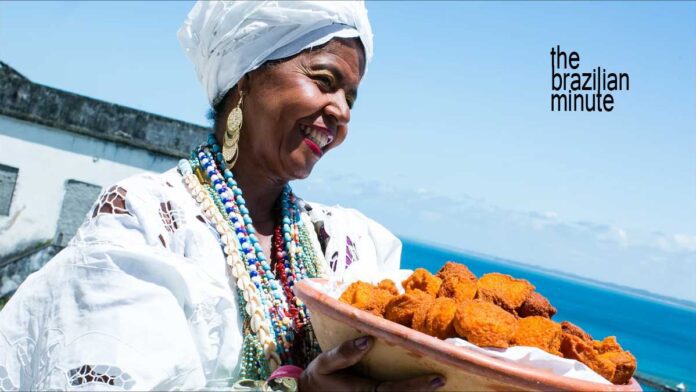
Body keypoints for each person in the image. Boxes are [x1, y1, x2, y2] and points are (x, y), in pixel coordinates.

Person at [0, 1, 446, 391]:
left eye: (352, 99)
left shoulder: (348, 245)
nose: (342, 113)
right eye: (325, 80)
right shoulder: (146, 223)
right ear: (246, 77)